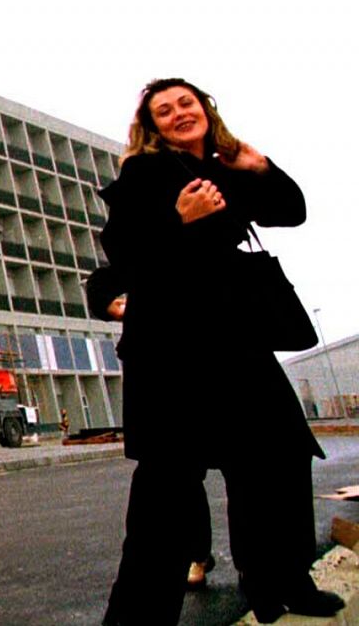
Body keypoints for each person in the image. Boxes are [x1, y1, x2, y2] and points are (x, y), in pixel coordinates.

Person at [97, 78, 341, 625]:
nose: (179, 113)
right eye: (165, 110)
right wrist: (178, 220)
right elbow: (123, 254)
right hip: (172, 353)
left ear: (205, 108)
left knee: (279, 460)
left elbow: (291, 210)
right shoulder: (145, 174)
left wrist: (261, 167)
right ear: (152, 127)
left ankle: (282, 584)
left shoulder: (227, 168)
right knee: (167, 493)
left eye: (186, 102)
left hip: (239, 344)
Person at [86, 265, 215, 590]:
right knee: (176, 472)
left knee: (239, 462)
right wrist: (107, 302)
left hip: (215, 342)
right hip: (164, 359)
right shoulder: (154, 232)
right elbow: (124, 259)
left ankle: (261, 565)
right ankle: (196, 556)